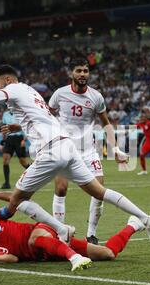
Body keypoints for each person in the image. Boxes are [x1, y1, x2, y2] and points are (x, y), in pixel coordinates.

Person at [0, 64, 150, 246]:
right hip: (67, 146)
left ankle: (62, 231)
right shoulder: (32, 92)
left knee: (16, 200)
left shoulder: (14, 88)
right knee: (99, 192)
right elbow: (42, 120)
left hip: (51, 151)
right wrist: (17, 128)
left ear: (8, 80)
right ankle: (146, 218)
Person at [0, 184, 147, 271]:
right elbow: (12, 258)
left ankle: (73, 256)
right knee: (108, 254)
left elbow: (15, 201)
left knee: (33, 240)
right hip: (48, 251)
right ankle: (134, 224)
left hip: (41, 231)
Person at [48, 57, 124, 245]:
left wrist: (115, 148)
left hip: (88, 151)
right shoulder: (59, 94)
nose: (82, 74)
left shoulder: (96, 97)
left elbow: (106, 124)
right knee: (61, 188)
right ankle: (60, 234)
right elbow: (46, 116)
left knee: (99, 191)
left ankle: (91, 234)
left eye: (85, 71)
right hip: (64, 149)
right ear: (71, 73)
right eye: (79, 71)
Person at [0, 109, 31, 189]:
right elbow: (4, 127)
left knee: (23, 162)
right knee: (5, 160)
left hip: (19, 138)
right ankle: (7, 183)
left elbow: (25, 127)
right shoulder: (5, 114)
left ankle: (36, 176)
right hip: (9, 139)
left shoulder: (20, 113)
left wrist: (24, 139)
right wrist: (3, 139)